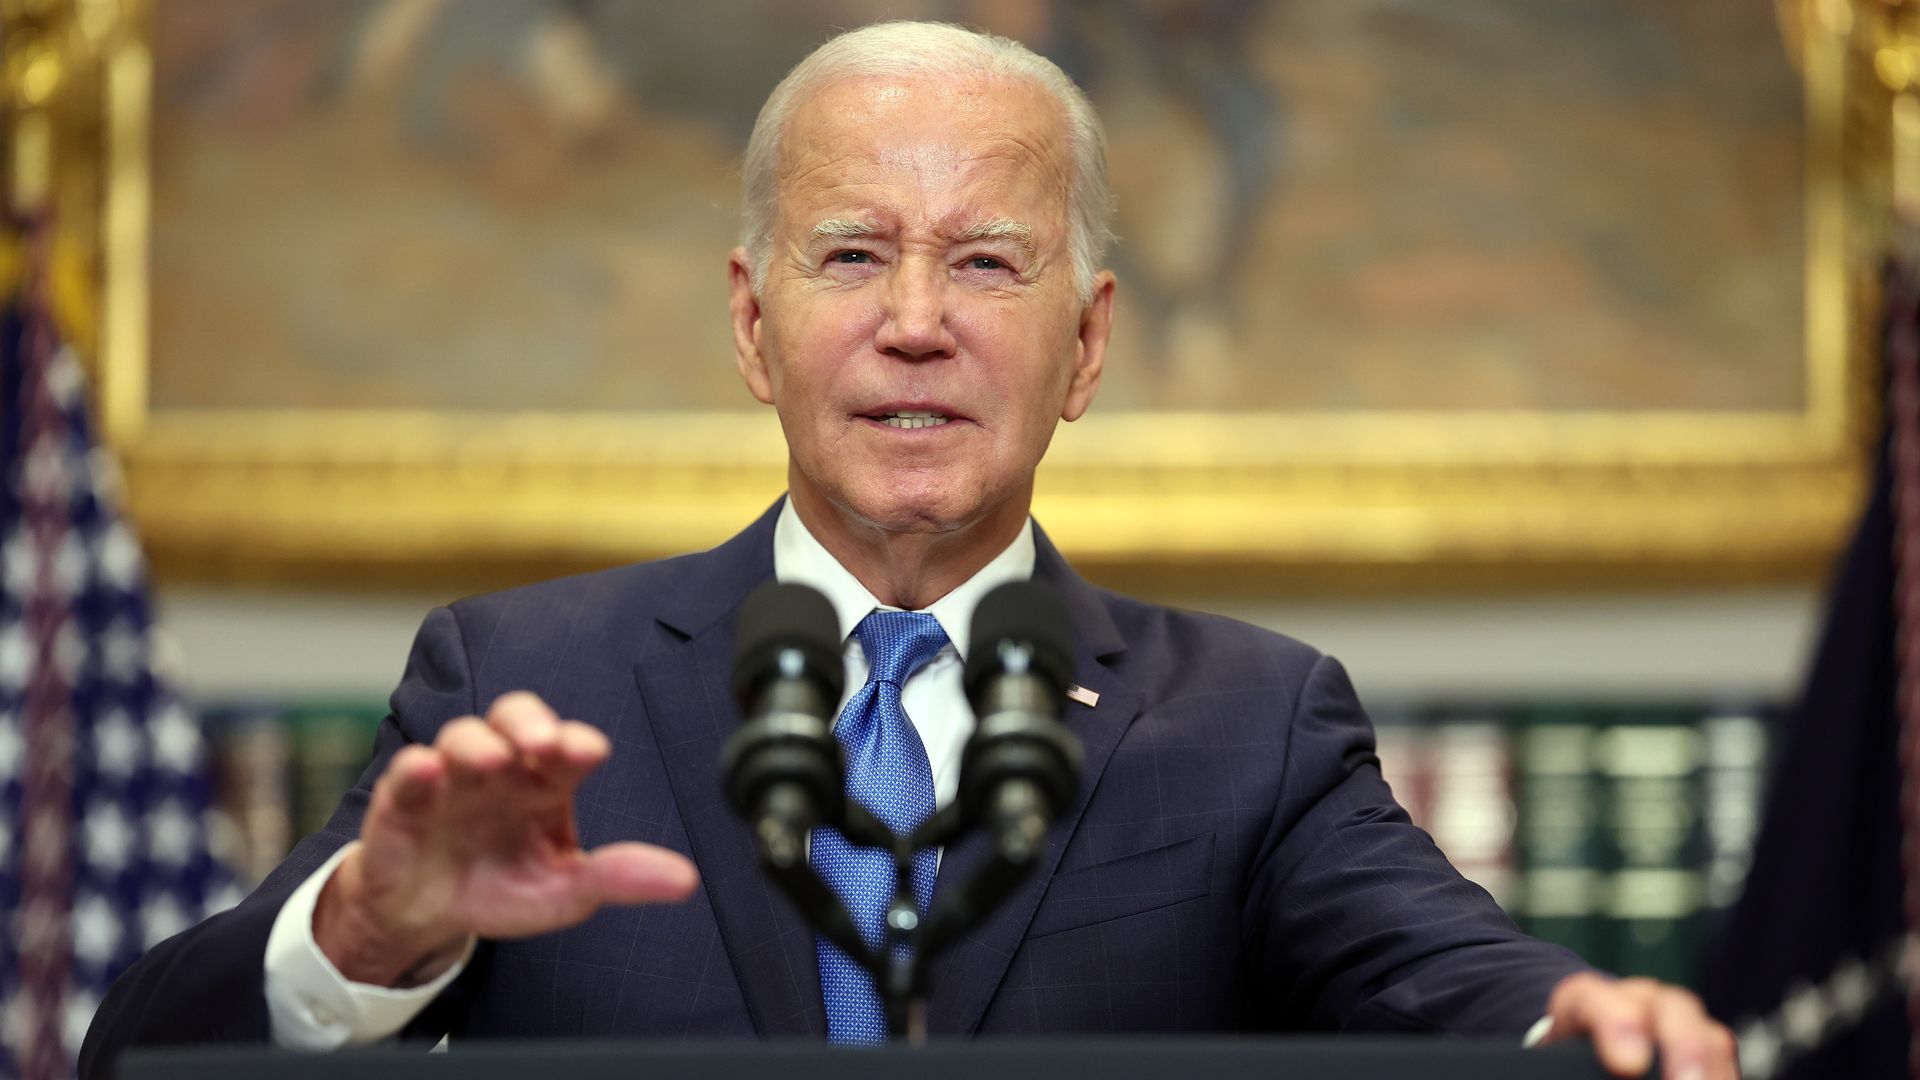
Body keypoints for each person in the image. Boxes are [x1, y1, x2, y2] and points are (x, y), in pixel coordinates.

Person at [82, 20, 1737, 1080]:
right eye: (855, 254)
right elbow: (143, 1058)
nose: (918, 326)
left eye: (990, 264)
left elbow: (1451, 977)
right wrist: (370, 935)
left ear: (1087, 345)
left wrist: (1575, 1030)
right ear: (754, 321)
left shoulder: (1251, 724)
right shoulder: (524, 684)